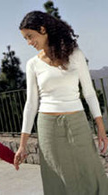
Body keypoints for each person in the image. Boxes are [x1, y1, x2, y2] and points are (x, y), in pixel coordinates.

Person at [14, 11, 108, 195]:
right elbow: (31, 103)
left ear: (43, 29)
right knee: (56, 176)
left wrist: (101, 127)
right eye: (25, 39)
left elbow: (88, 93)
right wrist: (22, 144)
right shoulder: (32, 64)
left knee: (90, 169)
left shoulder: (75, 54)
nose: (29, 42)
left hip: (78, 122)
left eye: (30, 36)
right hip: (48, 126)